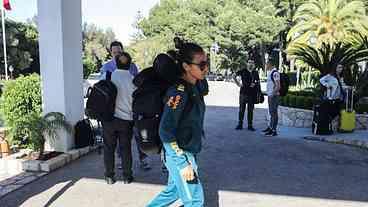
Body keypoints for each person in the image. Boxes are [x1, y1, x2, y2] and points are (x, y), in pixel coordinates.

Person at [147, 42, 208, 207]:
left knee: (173, 192)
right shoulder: (179, 93)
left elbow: (205, 87)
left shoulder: (195, 86)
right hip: (180, 154)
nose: (206, 68)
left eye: (207, 63)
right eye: (202, 65)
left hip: (189, 150)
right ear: (186, 66)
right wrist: (182, 163)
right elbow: (165, 130)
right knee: (195, 201)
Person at [101, 41, 151, 171]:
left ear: (122, 51)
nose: (117, 54)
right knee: (121, 141)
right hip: (115, 112)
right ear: (111, 53)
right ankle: (123, 163)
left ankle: (143, 159)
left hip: (132, 108)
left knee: (138, 134)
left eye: (119, 51)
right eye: (114, 52)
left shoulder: (132, 66)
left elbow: (137, 85)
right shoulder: (106, 67)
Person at [103, 52, 136, 185]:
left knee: (109, 148)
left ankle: (109, 176)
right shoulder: (133, 80)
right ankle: (127, 177)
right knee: (125, 149)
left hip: (109, 119)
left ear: (116, 63)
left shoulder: (108, 76)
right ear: (130, 64)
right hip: (126, 120)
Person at [233, 59, 260, 131]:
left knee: (250, 110)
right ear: (247, 63)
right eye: (249, 62)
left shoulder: (255, 72)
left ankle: (250, 125)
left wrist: (255, 83)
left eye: (252, 62)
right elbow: (234, 75)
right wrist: (238, 84)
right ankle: (240, 124)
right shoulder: (243, 71)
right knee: (241, 110)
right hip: (243, 93)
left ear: (253, 64)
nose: (250, 64)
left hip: (252, 94)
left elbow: (258, 81)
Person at [262, 55, 280, 137]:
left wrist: (272, 94)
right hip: (270, 95)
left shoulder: (275, 73)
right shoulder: (270, 72)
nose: (266, 65)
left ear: (271, 64)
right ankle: (270, 127)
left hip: (274, 96)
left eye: (267, 64)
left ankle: (274, 130)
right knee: (271, 113)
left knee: (274, 113)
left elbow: (278, 86)